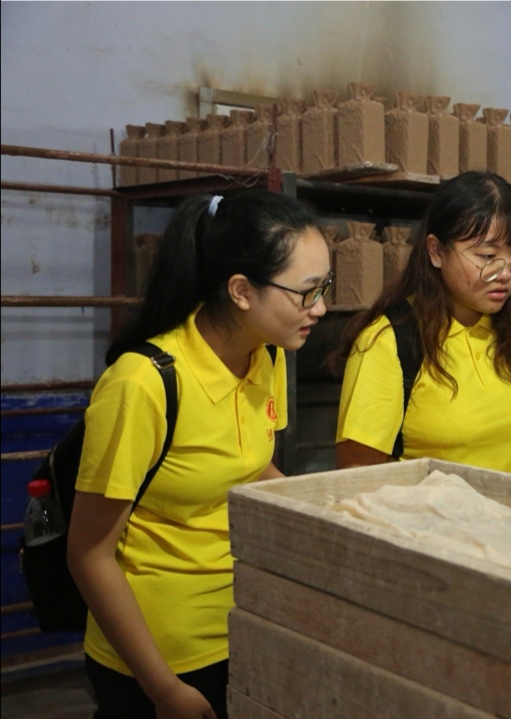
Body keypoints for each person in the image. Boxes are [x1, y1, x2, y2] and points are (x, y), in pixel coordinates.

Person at [68, 190, 331, 719]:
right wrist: (164, 690)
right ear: (240, 291)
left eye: (325, 288)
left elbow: (250, 465)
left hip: (242, 623)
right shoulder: (142, 385)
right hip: (159, 656)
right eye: (306, 293)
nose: (321, 308)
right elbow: (89, 554)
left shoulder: (268, 354)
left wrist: (327, 518)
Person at [334, 171, 511, 479]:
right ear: (436, 251)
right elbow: (358, 470)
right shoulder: (390, 340)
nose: (505, 274)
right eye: (487, 256)